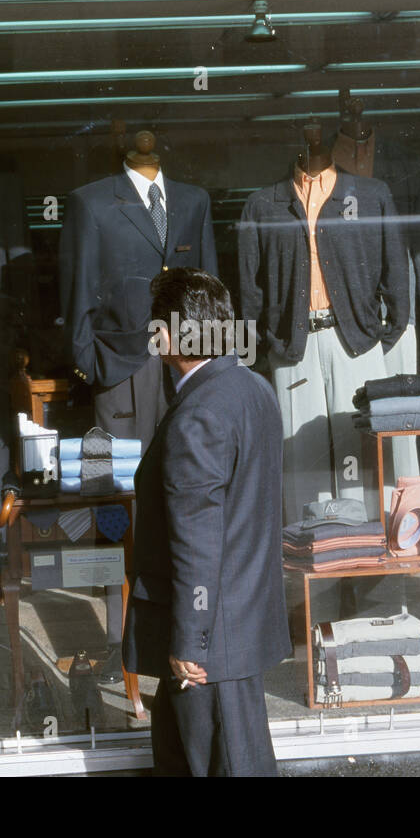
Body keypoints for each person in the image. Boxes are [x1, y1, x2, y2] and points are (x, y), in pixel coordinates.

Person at [124, 268, 290, 776]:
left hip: (206, 648)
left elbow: (197, 539)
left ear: (173, 335)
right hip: (234, 632)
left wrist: (189, 642)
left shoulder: (199, 413)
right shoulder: (253, 390)